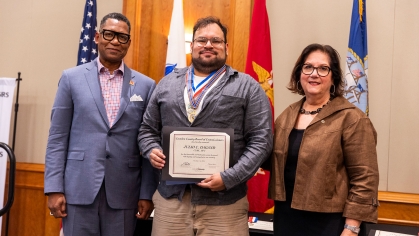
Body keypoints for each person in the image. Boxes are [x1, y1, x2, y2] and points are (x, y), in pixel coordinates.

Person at [138, 16, 273, 236]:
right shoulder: (167, 84)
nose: (208, 45)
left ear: (226, 47)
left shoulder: (248, 87)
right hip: (172, 202)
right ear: (191, 46)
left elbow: (262, 140)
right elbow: (147, 130)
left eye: (216, 41)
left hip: (225, 205)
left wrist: (230, 177)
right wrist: (150, 149)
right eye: (202, 40)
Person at [44, 12, 158, 236]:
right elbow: (57, 137)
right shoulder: (71, 78)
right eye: (109, 34)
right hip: (78, 190)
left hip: (125, 194)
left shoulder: (145, 85)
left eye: (122, 37)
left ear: (128, 43)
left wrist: (146, 193)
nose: (115, 41)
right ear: (97, 37)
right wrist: (54, 188)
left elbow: (148, 140)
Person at [268, 43, 379, 236]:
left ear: (334, 76)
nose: (314, 74)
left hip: (331, 223)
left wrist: (351, 228)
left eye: (323, 69)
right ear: (299, 73)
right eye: (308, 67)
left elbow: (365, 179)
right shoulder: (287, 115)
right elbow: (273, 160)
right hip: (286, 219)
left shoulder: (351, 118)